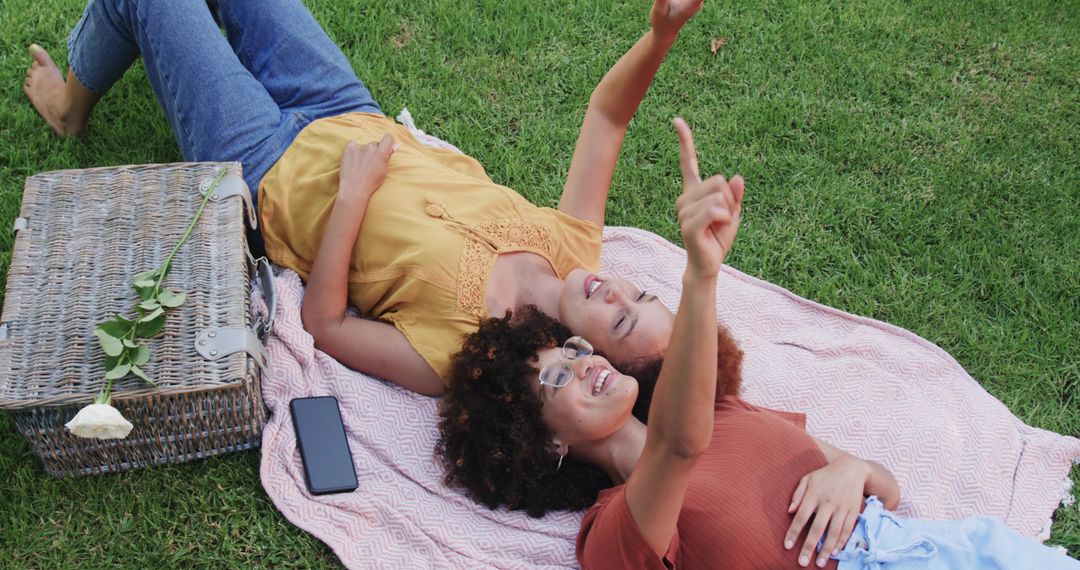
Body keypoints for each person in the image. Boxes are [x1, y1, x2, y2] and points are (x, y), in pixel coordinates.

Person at [434, 123, 1080, 569]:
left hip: (958, 552)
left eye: (575, 352)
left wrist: (848, 473)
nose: (585, 366)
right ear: (546, 442)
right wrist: (701, 273)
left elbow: (883, 485)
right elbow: (676, 449)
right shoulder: (611, 535)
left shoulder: (727, 412)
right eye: (557, 378)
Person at [24, 0, 722, 396]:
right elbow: (607, 117)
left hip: (270, 173)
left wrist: (353, 198)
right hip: (344, 107)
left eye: (621, 320)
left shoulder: (464, 354)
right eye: (642, 295)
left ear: (588, 354)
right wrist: (660, 36)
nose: (616, 291)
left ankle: (68, 108)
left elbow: (326, 324)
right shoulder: (576, 248)